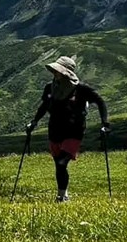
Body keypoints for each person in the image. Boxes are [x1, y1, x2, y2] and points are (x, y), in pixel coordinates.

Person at [26, 56, 110, 203]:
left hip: (74, 131)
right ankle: (63, 195)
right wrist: (34, 122)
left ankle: (62, 197)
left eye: (57, 70)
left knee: (61, 162)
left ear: (66, 73)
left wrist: (105, 123)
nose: (55, 73)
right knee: (58, 164)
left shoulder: (81, 89)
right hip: (55, 131)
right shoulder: (50, 88)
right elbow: (44, 106)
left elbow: (100, 101)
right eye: (54, 70)